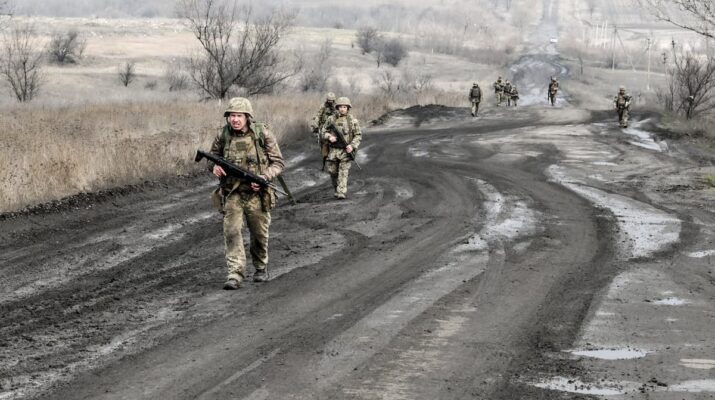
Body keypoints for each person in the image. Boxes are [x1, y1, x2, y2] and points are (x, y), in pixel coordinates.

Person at [208, 97, 285, 290]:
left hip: (257, 195)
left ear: (247, 117)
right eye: (232, 115)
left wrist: (264, 177)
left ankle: (260, 267)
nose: (235, 119)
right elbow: (212, 157)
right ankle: (235, 274)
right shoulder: (223, 135)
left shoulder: (262, 134)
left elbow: (278, 163)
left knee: (259, 234)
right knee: (232, 232)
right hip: (232, 193)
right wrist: (214, 166)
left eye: (239, 116)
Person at [321, 97, 362, 199]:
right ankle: (336, 189)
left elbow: (358, 135)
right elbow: (323, 132)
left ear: (348, 108)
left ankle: (341, 192)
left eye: (344, 107)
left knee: (343, 172)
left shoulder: (352, 121)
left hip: (345, 151)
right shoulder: (331, 119)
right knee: (332, 171)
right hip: (333, 150)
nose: (342, 109)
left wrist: (352, 146)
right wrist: (329, 137)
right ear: (337, 107)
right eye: (340, 107)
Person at [310, 92, 337, 167]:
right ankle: (325, 157)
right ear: (327, 100)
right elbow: (318, 115)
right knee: (324, 143)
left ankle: (334, 158)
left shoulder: (336, 106)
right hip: (324, 127)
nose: (330, 102)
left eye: (332, 100)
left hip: (334, 127)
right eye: (329, 100)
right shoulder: (323, 106)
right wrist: (315, 125)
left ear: (334, 100)